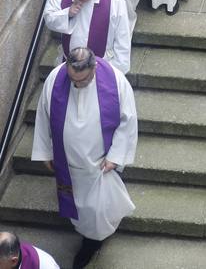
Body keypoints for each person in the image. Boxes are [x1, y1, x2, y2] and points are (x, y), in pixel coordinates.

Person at [31, 47, 137, 269]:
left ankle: (92, 241)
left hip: (100, 162)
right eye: (73, 79)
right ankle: (88, 232)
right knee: (78, 205)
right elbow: (43, 115)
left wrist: (116, 156)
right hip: (67, 161)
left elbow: (128, 120)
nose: (77, 84)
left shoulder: (115, 80)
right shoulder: (56, 78)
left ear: (94, 67)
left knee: (97, 208)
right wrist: (46, 151)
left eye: (83, 80)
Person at [44, 0, 131, 75]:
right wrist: (67, 14)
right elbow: (48, 18)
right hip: (69, 65)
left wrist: (117, 72)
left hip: (101, 67)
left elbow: (122, 36)